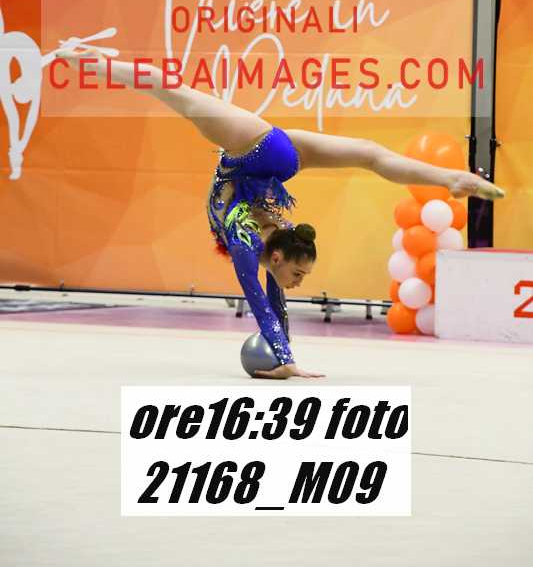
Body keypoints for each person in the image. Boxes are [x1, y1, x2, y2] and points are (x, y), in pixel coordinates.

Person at [57, 48, 505, 379]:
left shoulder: (248, 239)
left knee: (179, 93)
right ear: (278, 256)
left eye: (299, 275)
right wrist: (286, 358)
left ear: (275, 257)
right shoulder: (264, 240)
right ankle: (97, 62)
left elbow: (263, 299)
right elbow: (270, 303)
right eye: (300, 274)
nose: (298, 281)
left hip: (262, 153)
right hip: (260, 152)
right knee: (179, 94)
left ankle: (450, 178)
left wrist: (285, 357)